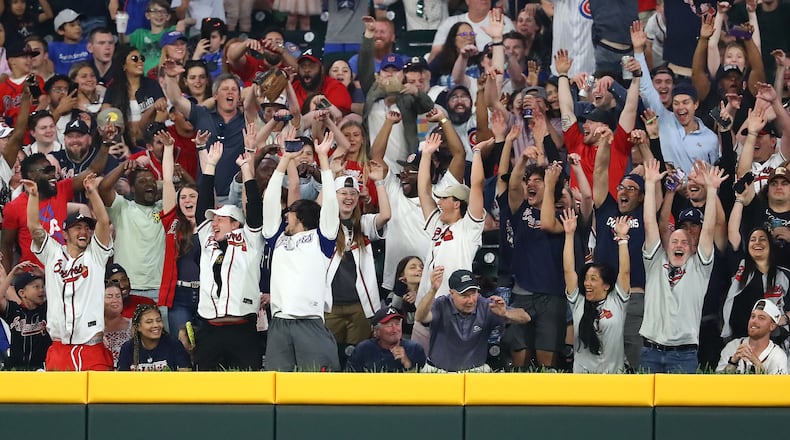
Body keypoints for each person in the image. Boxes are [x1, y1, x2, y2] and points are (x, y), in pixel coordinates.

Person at [263, 133, 341, 372]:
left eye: (290, 215)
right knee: (276, 386)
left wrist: (323, 159)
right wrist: (285, 159)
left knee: (320, 387)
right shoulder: (277, 238)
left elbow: (330, 204)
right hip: (279, 322)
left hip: (309, 321)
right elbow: (270, 198)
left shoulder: (322, 239)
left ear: (302, 218)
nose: (285, 217)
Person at [640, 159, 724, 373]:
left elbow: (708, 230)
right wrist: (650, 185)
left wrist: (712, 191)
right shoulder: (655, 261)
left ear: (692, 247)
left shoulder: (700, 268)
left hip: (684, 355)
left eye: (685, 242)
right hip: (650, 351)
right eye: (675, 240)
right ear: (667, 244)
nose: (679, 244)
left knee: (679, 408)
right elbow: (650, 224)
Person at [26, 172, 114, 371]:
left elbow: (103, 220)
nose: (83, 232)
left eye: (86, 228)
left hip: (92, 347)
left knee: (99, 401)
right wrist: (33, 197)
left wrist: (92, 193)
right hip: (59, 347)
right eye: (77, 228)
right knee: (59, 402)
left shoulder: (96, 254)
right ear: (65, 233)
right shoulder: (52, 253)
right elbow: (34, 227)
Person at [193, 134, 264, 371]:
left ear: (235, 223)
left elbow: (254, 207)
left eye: (220, 219)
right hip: (210, 328)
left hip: (242, 327)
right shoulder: (207, 239)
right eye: (213, 220)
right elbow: (202, 205)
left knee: (249, 388)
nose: (214, 223)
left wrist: (247, 170)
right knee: (204, 390)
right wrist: (210, 166)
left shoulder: (249, 238)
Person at [413, 134, 489, 350]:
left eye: (444, 198)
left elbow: (477, 185)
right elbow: (424, 192)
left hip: (453, 315)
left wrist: (476, 153)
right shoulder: (438, 223)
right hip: (425, 310)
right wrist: (426, 155)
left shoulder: (469, 228)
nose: (439, 201)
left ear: (457, 204)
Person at [325, 170, 390, 353]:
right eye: (343, 193)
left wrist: (379, 183)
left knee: (358, 356)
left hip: (360, 306)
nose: (349, 197)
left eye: (353, 193)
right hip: (330, 306)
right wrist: (329, 175)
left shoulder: (363, 224)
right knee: (331, 357)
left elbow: (385, 215)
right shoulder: (324, 225)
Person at [415, 268, 530, 372]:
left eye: (473, 293)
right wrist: (432, 290)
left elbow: (525, 317)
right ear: (452, 293)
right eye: (464, 296)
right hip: (439, 371)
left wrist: (506, 313)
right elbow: (420, 317)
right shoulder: (441, 304)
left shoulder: (486, 305)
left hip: (475, 372)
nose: (470, 301)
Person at [562, 208, 632, 373]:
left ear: (606, 285)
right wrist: (569, 235)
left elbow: (625, 272)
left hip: (613, 380)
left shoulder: (617, 301)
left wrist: (622, 240)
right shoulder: (578, 302)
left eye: (593, 279)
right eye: (586, 278)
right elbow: (568, 270)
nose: (587, 283)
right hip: (583, 382)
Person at [157, 130, 203, 341]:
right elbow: (167, 181)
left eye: (192, 196)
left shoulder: (211, 225)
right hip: (179, 298)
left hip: (207, 295)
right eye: (182, 197)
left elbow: (207, 181)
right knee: (181, 346)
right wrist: (168, 148)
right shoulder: (172, 223)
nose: (187, 200)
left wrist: (202, 151)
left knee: (203, 348)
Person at [0, 262, 50, 370]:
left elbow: (60, 291)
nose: (41, 290)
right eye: (36, 287)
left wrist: (44, 274)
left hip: (41, 370)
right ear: (22, 293)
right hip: (16, 370)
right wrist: (12, 274)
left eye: (42, 286)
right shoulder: (14, 311)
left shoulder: (47, 310)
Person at [346, 306, 426, 372]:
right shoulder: (364, 349)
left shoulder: (415, 349)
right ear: (376, 331)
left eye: (397, 324)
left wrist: (407, 363)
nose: (395, 330)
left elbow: (425, 383)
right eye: (389, 325)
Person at [717, 299, 788, 374]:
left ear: (772, 326)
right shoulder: (732, 347)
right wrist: (733, 362)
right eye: (753, 316)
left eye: (761, 318)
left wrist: (757, 364)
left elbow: (779, 386)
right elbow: (716, 384)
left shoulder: (778, 356)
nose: (754, 321)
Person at [117, 304, 192, 371]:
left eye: (158, 320)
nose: (156, 325)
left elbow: (185, 376)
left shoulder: (174, 344)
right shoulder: (128, 348)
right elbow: (121, 381)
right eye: (149, 322)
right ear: (138, 327)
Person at [49, 9, 90, 76]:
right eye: (72, 25)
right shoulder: (53, 47)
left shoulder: (88, 45)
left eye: (79, 24)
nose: (78, 27)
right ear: (60, 31)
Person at [102, 283, 132, 367]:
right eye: (109, 296)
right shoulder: (91, 329)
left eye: (118, 296)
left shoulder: (133, 326)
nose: (115, 300)